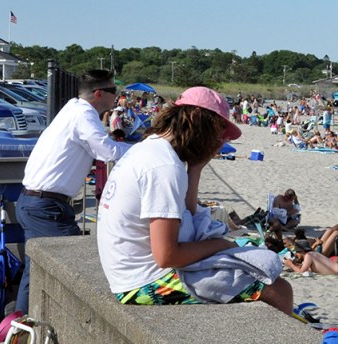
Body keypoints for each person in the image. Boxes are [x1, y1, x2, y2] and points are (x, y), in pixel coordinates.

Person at [96, 87, 294, 315]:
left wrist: (196, 169)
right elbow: (167, 256)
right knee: (279, 290)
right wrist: (222, 245)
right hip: (144, 283)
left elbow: (186, 212)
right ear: (197, 118)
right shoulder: (164, 167)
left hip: (127, 272)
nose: (220, 140)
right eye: (218, 130)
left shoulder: (150, 148)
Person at [16, 69, 133, 313]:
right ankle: (25, 325)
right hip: (45, 206)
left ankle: (21, 325)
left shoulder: (73, 108)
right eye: (114, 91)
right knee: (73, 263)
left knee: (35, 269)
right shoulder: (83, 114)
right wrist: (145, 150)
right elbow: (107, 152)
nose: (117, 97)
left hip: (38, 202)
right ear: (99, 93)